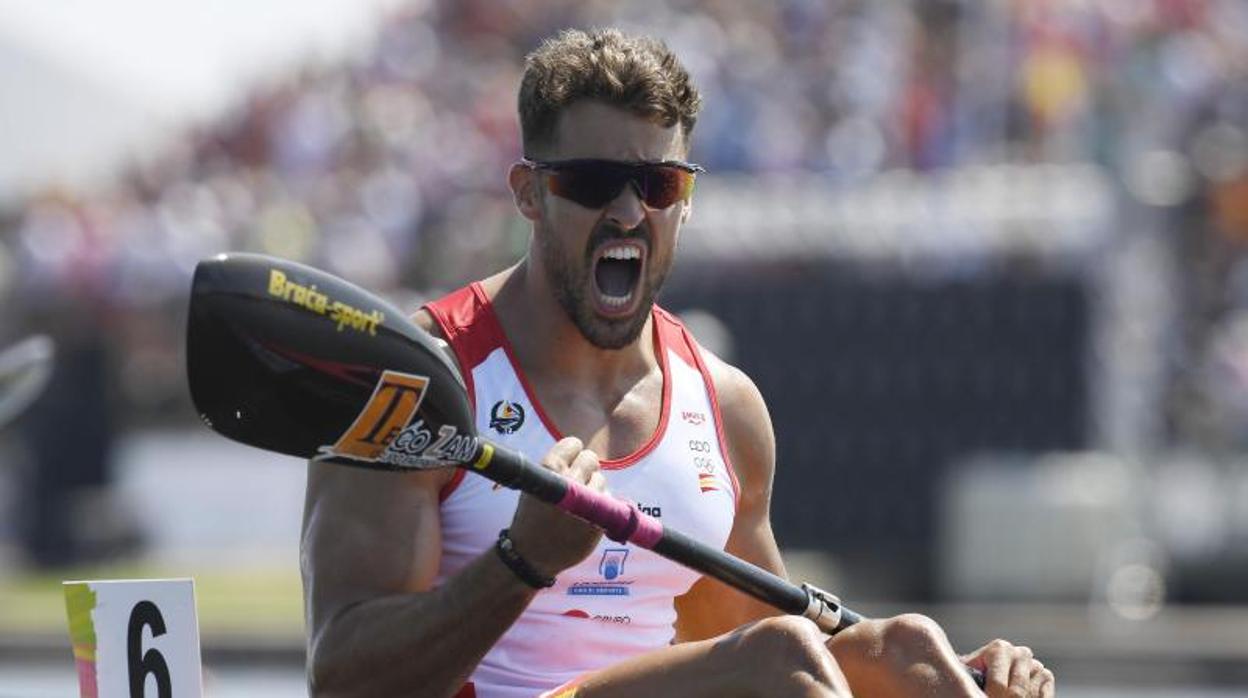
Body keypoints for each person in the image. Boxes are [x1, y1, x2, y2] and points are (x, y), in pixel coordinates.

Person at [301, 28, 1055, 698]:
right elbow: (343, 678)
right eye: (593, 183)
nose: (629, 213)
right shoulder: (420, 382)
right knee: (783, 659)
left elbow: (768, 642)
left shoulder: (724, 407)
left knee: (910, 651)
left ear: (685, 199)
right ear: (529, 193)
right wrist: (522, 561)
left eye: (659, 185)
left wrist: (966, 679)